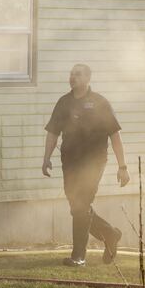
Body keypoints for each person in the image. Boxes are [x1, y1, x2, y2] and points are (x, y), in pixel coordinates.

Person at [43, 64, 130, 267]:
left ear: (88, 78)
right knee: (77, 207)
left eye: (77, 74)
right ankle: (110, 234)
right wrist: (46, 157)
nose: (72, 77)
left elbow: (115, 135)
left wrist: (122, 167)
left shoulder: (100, 103)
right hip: (70, 163)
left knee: (81, 205)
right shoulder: (63, 103)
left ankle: (78, 256)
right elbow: (53, 133)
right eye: (71, 74)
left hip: (94, 163)